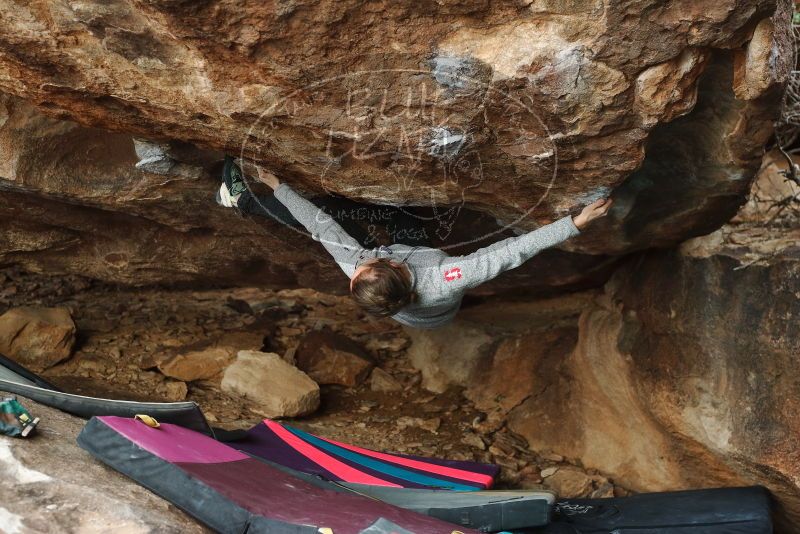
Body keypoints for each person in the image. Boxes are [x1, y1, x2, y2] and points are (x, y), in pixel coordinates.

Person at [216, 159, 613, 329]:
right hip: (425, 296)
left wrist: (277, 187)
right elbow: (512, 253)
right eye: (364, 264)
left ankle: (242, 200)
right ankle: (245, 201)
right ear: (393, 266)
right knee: (397, 215)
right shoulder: (445, 275)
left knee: (335, 214)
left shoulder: (378, 269)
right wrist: (575, 222)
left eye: (360, 266)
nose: (356, 262)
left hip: (417, 292)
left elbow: (318, 225)